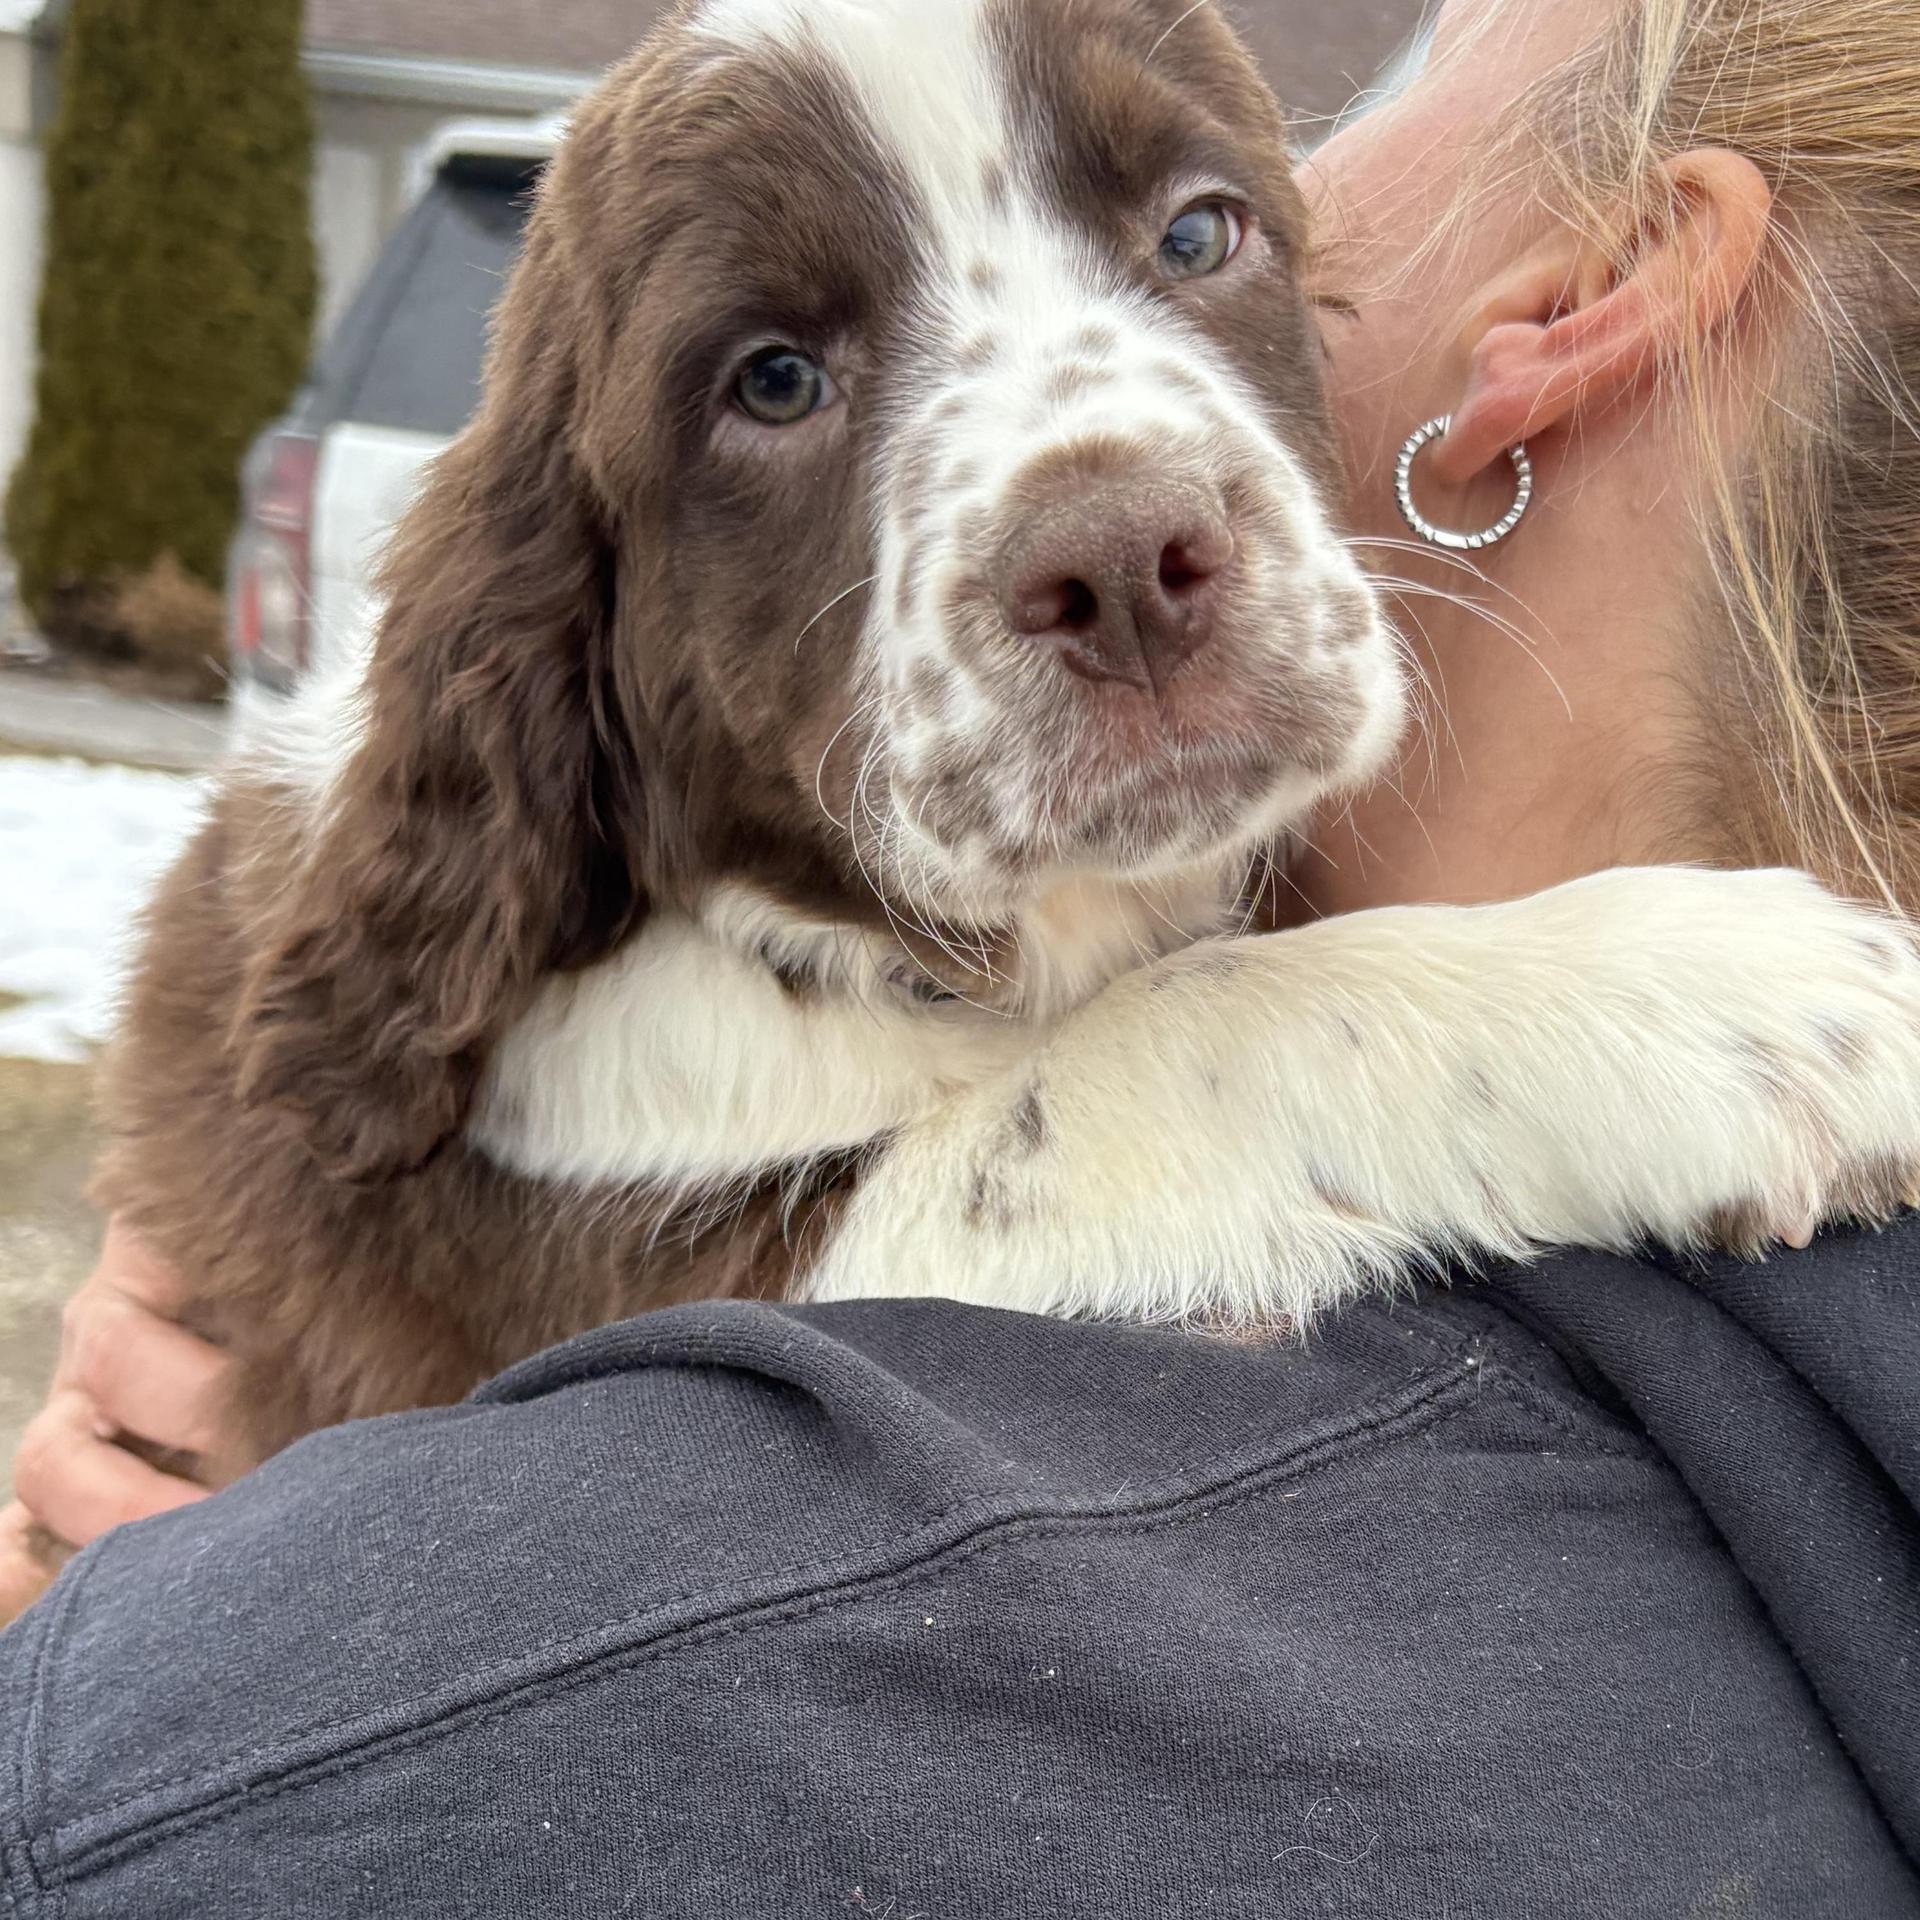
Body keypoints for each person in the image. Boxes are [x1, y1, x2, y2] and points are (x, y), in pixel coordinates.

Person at [5, 0, 1918, 1910]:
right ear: (580, 628)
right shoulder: (522, 957)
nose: (1102, 505)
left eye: (1191, 237)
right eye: (771, 380)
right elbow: (801, 1313)